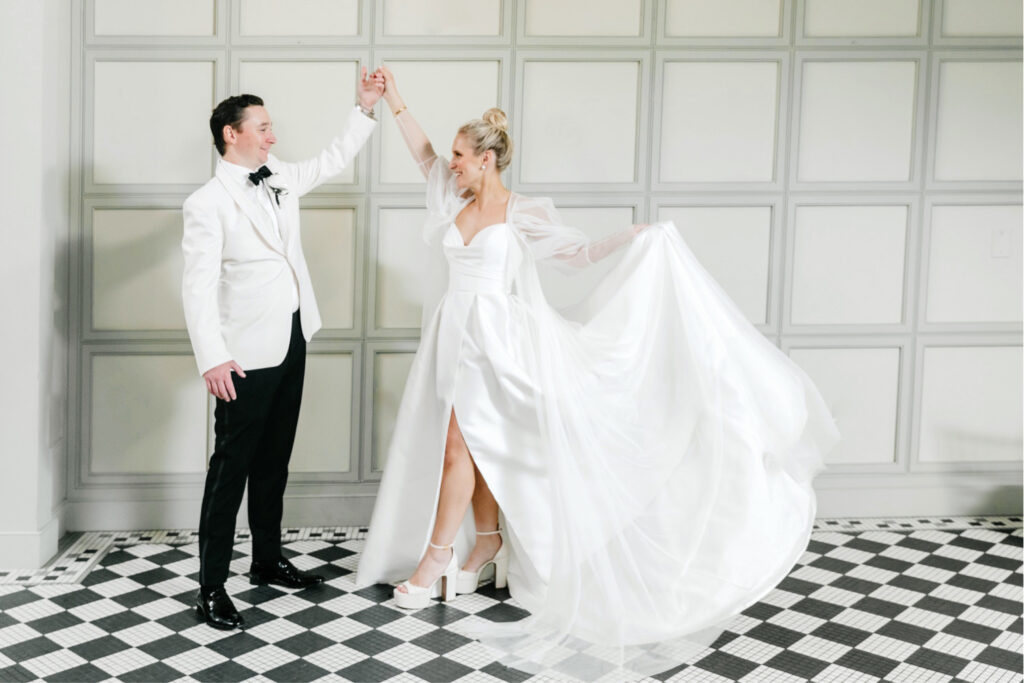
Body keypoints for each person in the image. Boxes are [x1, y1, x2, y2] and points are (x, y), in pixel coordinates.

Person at [355, 67, 841, 678]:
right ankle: (488, 544)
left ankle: (436, 560)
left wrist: (633, 239)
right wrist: (393, 98)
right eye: (451, 156)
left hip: (498, 341)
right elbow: (422, 150)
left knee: (460, 444)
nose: (449, 163)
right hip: (454, 335)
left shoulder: (519, 210)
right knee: (474, 445)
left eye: (460, 155)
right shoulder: (453, 195)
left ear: (486, 160)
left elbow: (576, 255)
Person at [181, 68, 384, 630]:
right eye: (263, 127)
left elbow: (332, 159)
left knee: (274, 462)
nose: (273, 135)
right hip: (241, 355)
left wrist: (364, 108)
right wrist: (212, 357)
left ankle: (266, 561)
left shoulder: (279, 177)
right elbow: (196, 287)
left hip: (292, 336)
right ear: (232, 133)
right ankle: (212, 586)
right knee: (231, 468)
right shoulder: (207, 203)